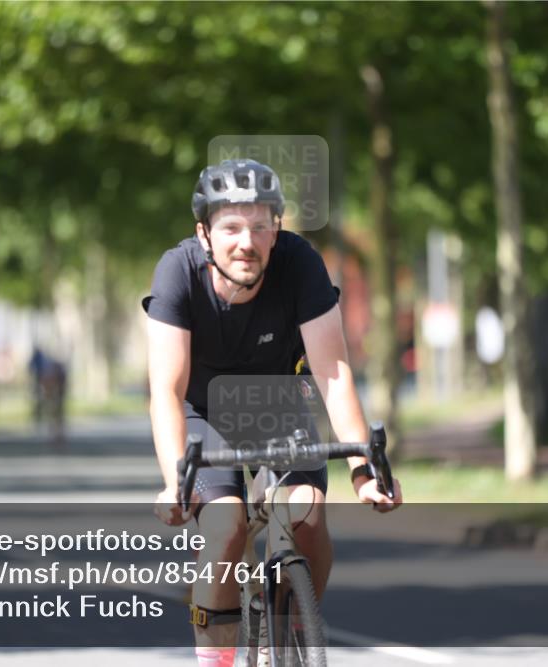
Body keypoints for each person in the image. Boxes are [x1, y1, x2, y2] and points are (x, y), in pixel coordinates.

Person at [143, 159, 402, 667]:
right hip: (203, 410)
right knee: (226, 526)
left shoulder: (300, 264)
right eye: (232, 227)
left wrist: (362, 472)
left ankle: (299, 624)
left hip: (277, 402)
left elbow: (333, 374)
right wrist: (174, 482)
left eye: (261, 226)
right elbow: (166, 392)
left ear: (277, 228)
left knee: (306, 508)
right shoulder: (177, 273)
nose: (247, 241)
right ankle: (215, 659)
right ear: (204, 234)